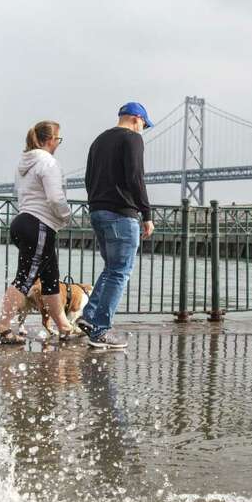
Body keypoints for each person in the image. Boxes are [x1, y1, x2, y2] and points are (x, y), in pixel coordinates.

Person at [75, 102, 155, 349]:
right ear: (135, 119)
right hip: (121, 214)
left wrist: (97, 204)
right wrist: (146, 213)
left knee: (111, 269)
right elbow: (135, 176)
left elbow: (88, 178)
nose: (143, 128)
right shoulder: (132, 138)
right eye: (144, 124)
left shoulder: (99, 140)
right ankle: (101, 331)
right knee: (120, 271)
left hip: (98, 211)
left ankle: (89, 317)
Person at [0, 120, 76, 344]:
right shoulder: (48, 163)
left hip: (24, 222)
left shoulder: (25, 164)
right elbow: (55, 198)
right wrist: (67, 216)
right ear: (50, 140)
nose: (58, 144)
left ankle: (65, 327)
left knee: (50, 279)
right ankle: (1, 328)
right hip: (39, 225)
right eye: (58, 140)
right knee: (25, 279)